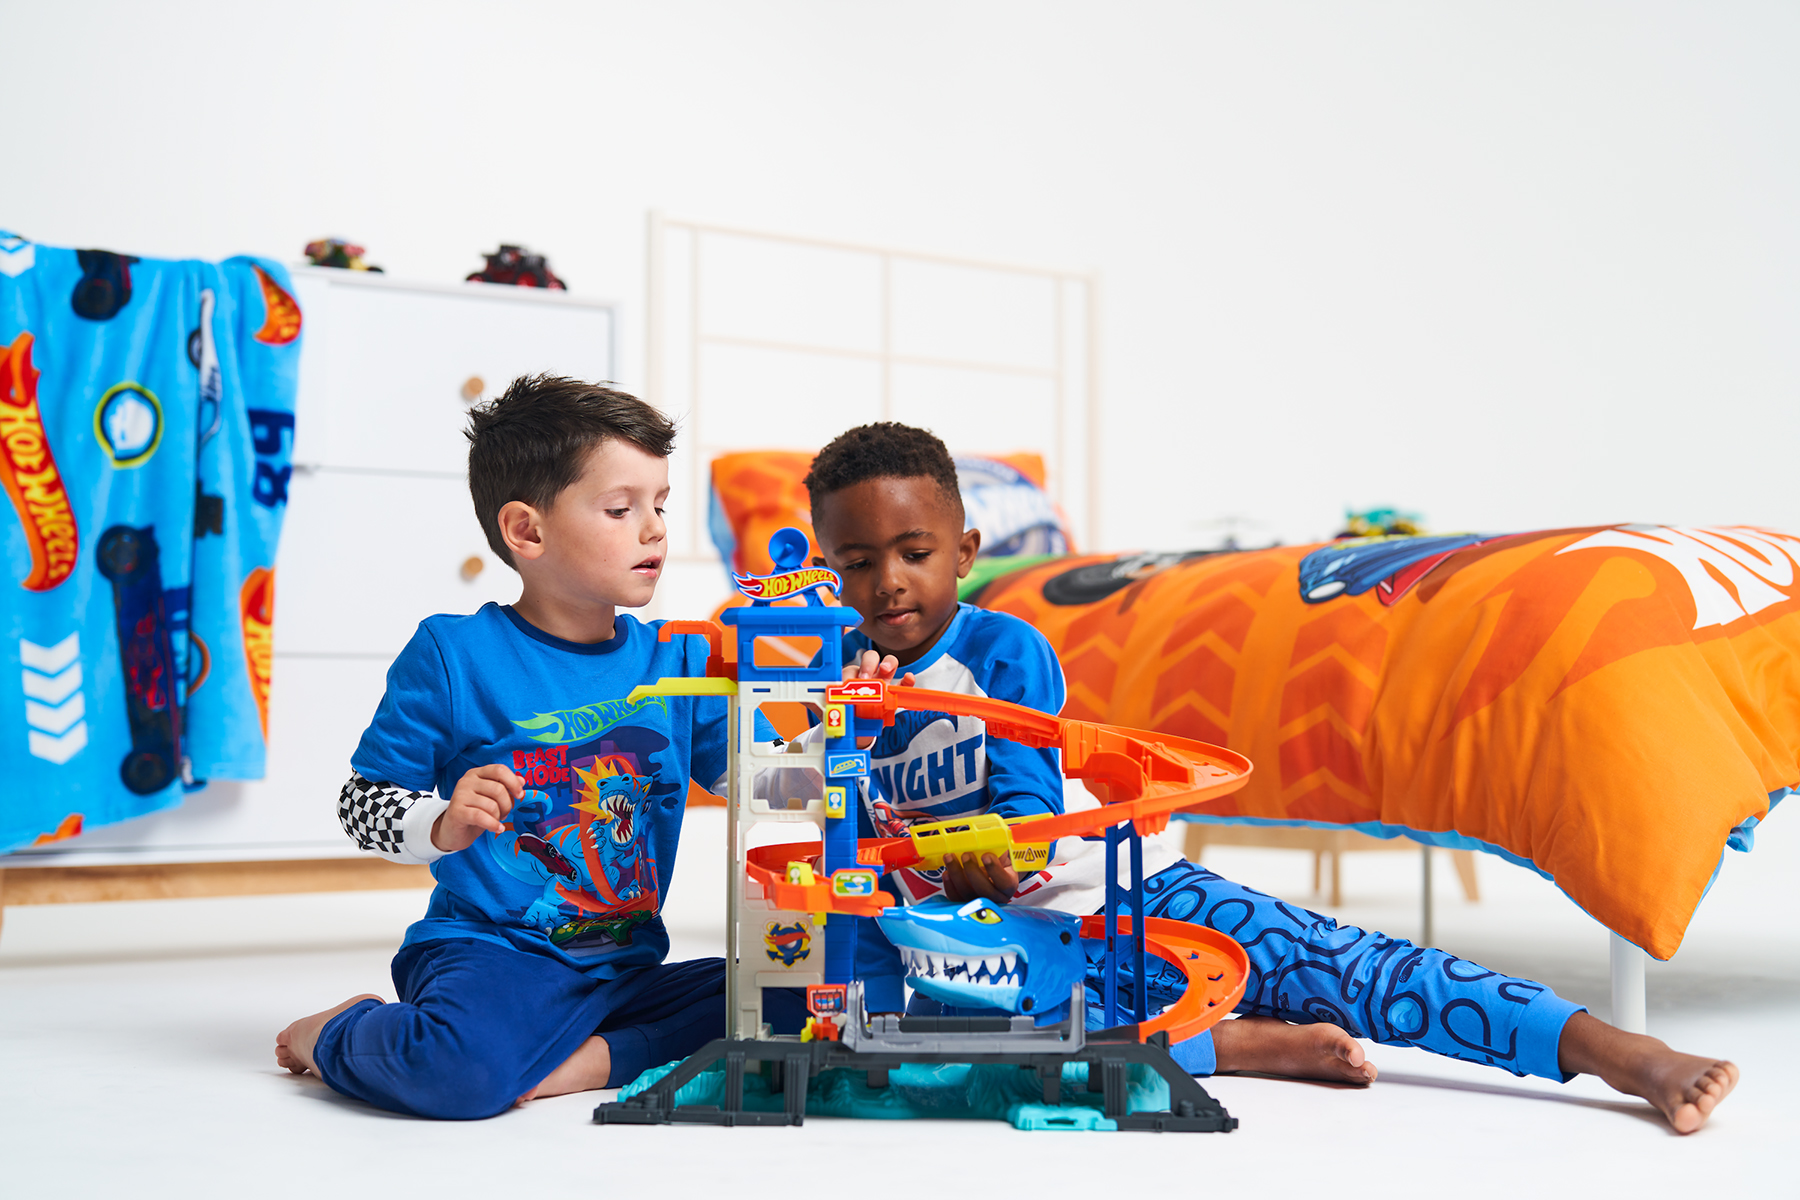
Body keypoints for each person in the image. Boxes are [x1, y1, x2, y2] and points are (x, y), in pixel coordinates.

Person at [801, 420, 1739, 1135]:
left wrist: (970, 822)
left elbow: (1026, 800)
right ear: (828, 574)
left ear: (963, 554)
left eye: (915, 554)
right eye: (858, 563)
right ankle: (1232, 1045)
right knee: (914, 1016)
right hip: (997, 946)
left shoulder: (1004, 648)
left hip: (1114, 891)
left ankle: (1613, 1051)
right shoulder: (832, 677)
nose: (889, 581)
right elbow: (831, 832)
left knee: (1344, 966)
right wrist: (839, 733)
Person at [274, 375, 801, 1118]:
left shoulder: (682, 662)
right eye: (622, 508)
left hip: (625, 965)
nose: (654, 528)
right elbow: (360, 803)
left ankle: (586, 1061)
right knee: (460, 1073)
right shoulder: (454, 654)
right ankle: (336, 1031)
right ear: (527, 531)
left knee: (795, 983)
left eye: (660, 504)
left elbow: (773, 786)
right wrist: (441, 823)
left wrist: (833, 715)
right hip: (493, 956)